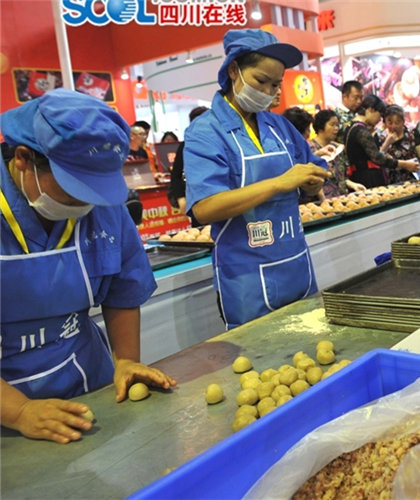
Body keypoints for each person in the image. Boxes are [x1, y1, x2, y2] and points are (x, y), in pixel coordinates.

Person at [0, 89, 177, 444]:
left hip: (88, 384)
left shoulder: (100, 205)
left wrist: (125, 360)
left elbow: (123, 288)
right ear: (23, 159)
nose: (86, 203)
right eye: (74, 188)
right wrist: (19, 412)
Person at [182, 28, 331, 330]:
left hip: (296, 265)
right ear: (233, 70)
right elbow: (205, 208)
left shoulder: (279, 126)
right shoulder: (206, 132)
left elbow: (313, 167)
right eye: (260, 81)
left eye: (275, 84)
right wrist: (278, 183)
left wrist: (312, 181)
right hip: (247, 279)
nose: (268, 91)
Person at [343, 94, 417, 189]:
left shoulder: (350, 126)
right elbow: (378, 158)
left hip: (357, 175)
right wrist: (404, 164)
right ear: (371, 110)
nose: (379, 120)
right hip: (367, 178)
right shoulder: (361, 131)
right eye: (380, 115)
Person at [309, 109, 365, 198]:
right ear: (320, 127)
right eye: (332, 125)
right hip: (322, 201)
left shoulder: (336, 147)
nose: (336, 128)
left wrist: (353, 185)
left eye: (337, 125)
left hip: (341, 198)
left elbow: (341, 177)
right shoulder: (310, 149)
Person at [167, 106, 208, 214]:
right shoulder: (186, 145)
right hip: (196, 197)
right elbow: (176, 174)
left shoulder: (220, 142)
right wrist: (181, 197)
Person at [378, 104, 420, 182]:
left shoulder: (412, 133)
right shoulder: (380, 137)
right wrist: (387, 142)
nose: (393, 126)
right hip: (389, 180)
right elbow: (378, 158)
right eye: (390, 122)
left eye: (397, 122)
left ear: (403, 122)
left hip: (412, 178)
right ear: (385, 122)